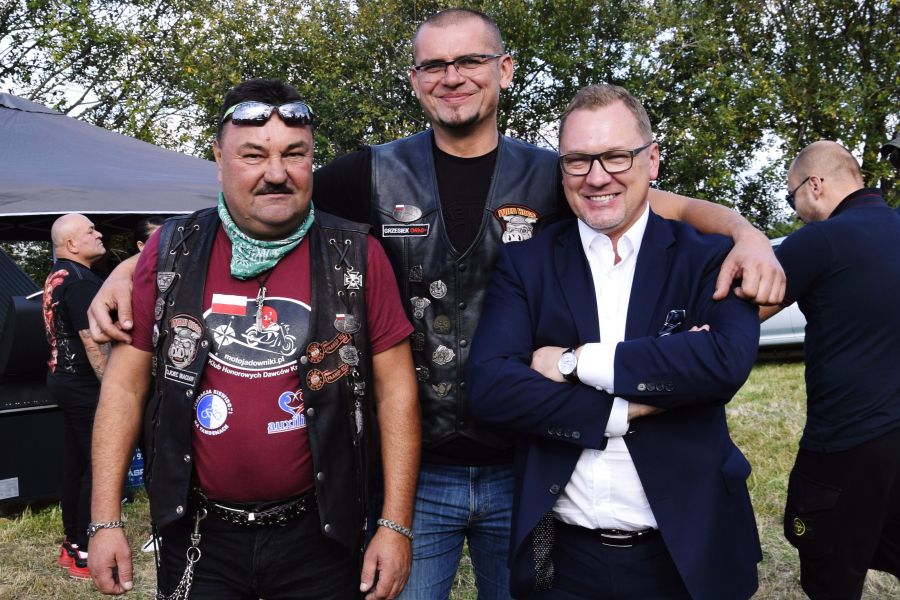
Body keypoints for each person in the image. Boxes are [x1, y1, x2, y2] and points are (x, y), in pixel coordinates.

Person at [88, 10, 783, 598]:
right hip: (417, 474)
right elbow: (262, 197)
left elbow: (656, 201)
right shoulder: (369, 172)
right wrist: (131, 268)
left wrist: (747, 233)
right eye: (434, 65)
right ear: (416, 80)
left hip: (528, 461)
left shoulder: (557, 171)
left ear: (505, 70)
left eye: (470, 60)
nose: (453, 76)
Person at [87, 79, 420, 600]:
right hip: (199, 533)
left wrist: (394, 525)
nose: (276, 173)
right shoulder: (171, 250)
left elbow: (396, 393)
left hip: (323, 535)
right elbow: (124, 388)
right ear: (219, 158)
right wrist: (104, 520)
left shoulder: (356, 254)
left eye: (295, 153)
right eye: (253, 155)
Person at [467, 84, 762, 599]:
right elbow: (491, 387)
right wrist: (624, 410)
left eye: (616, 156)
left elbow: (723, 362)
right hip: (564, 559)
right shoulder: (526, 263)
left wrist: (573, 362)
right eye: (578, 160)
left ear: (652, 160)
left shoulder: (707, 257)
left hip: (687, 552)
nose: (597, 176)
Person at [760, 141, 900, 600]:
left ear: (815, 185)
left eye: (791, 197)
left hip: (846, 444)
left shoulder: (819, 240)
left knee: (830, 576)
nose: (795, 210)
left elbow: (744, 310)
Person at [42, 213, 109, 580]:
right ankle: (85, 550)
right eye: (90, 230)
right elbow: (92, 341)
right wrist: (112, 388)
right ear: (71, 244)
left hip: (62, 380)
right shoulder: (82, 281)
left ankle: (71, 545)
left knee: (76, 464)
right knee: (98, 467)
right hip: (85, 386)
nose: (98, 234)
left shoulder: (59, 275)